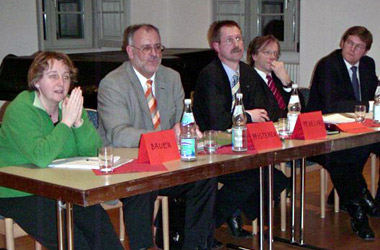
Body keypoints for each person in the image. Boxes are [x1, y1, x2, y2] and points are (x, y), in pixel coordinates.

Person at [97, 24, 216, 250]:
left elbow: (181, 121)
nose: (154, 54)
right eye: (146, 48)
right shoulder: (113, 83)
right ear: (130, 52)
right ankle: (144, 246)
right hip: (128, 164)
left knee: (204, 177)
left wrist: (189, 131)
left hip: (167, 162)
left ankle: (196, 245)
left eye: (158, 47)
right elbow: (119, 134)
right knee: (143, 183)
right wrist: (168, 136)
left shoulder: (171, 77)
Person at [0, 51, 124, 250]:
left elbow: (92, 152)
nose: (61, 82)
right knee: (74, 243)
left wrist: (78, 122)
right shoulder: (20, 109)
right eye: (53, 76)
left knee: (102, 231)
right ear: (37, 81)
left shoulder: (70, 106)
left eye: (66, 76)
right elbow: (41, 157)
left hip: (60, 186)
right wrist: (66, 122)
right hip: (18, 191)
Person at [193, 20, 288, 246]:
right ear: (216, 46)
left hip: (244, 146)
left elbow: (269, 111)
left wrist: (284, 84)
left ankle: (228, 213)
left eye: (239, 38)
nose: (237, 44)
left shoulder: (247, 73)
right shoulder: (210, 75)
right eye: (229, 40)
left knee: (276, 180)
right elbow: (217, 121)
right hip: (214, 148)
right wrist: (248, 116)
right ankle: (205, 227)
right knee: (253, 180)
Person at [308, 26, 380, 240]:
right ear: (342, 42)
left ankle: (371, 200)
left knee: (359, 148)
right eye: (349, 43)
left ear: (365, 51)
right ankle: (359, 210)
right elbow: (332, 105)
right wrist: (367, 105)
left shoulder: (368, 65)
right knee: (343, 157)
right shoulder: (328, 65)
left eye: (359, 46)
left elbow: (373, 91)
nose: (352, 49)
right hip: (322, 133)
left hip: (357, 131)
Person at [246, 34, 293, 121]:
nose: (272, 57)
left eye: (275, 53)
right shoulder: (249, 79)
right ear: (254, 56)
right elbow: (267, 112)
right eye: (267, 52)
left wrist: (287, 81)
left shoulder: (279, 76)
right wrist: (288, 115)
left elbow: (301, 107)